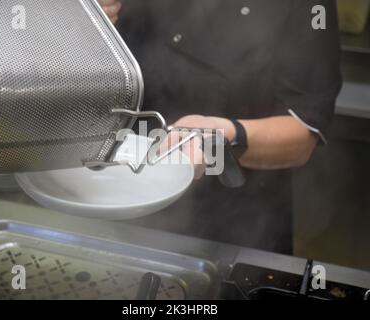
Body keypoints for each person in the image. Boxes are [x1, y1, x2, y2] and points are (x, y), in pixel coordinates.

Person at [98, 0, 342, 254]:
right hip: (118, 192)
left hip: (236, 222)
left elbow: (301, 137)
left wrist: (216, 137)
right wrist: (85, 22)